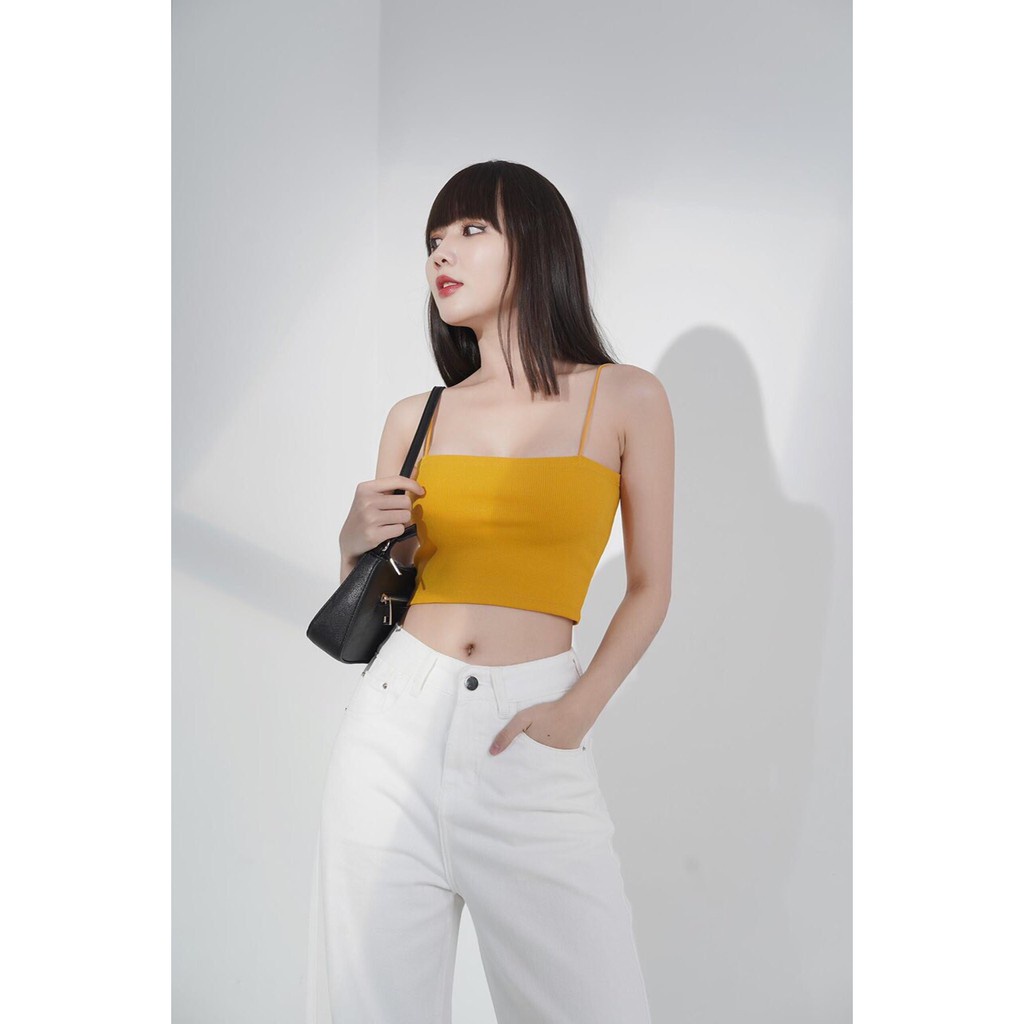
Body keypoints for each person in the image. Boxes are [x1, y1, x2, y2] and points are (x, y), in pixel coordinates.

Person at [310, 160, 674, 1023]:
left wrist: (578, 709)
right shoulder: (417, 417)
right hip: (393, 727)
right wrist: (353, 539)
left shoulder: (625, 397)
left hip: (529, 733)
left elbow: (651, 585)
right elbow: (383, 591)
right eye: (434, 239)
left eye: (472, 229)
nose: (442, 252)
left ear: (537, 243)